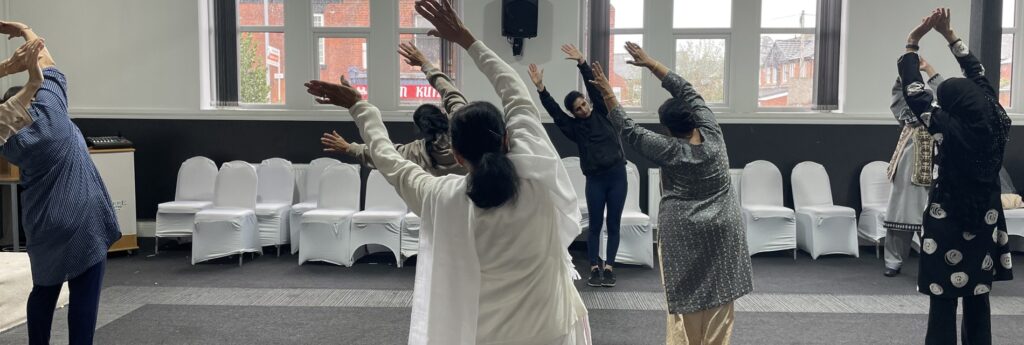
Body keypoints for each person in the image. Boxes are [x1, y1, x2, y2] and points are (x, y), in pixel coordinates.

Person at [304, 1, 589, 344]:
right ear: (507, 139)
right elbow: (515, 91)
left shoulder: (443, 198)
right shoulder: (537, 171)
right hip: (551, 332)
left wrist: (360, 107)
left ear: (457, 154)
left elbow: (389, 161)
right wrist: (466, 39)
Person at [588, 42, 753, 345]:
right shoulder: (713, 132)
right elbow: (687, 90)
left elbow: (628, 129)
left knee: (686, 305)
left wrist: (608, 93)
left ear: (667, 129)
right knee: (720, 302)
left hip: (684, 235)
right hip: (723, 232)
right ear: (693, 117)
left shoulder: (669, 149)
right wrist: (651, 63)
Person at [0, 21, 122, 345]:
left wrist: (6, 70)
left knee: (43, 291)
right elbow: (48, 63)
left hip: (43, 224)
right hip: (82, 218)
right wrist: (24, 31)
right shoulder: (53, 115)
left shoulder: (8, 143)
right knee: (84, 292)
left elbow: (5, 116)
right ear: (35, 102)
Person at [899, 8, 1014, 345]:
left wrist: (912, 42)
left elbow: (914, 91)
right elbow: (978, 76)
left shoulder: (946, 129)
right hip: (985, 216)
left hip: (947, 216)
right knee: (978, 295)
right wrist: (951, 37)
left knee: (943, 295)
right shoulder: (997, 118)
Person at [527, 44, 626, 288]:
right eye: (578, 109)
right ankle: (594, 268)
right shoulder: (574, 128)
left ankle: (609, 268)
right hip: (595, 181)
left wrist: (582, 63)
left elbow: (595, 89)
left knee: (613, 223)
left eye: (584, 104)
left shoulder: (602, 113)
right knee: (595, 225)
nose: (583, 109)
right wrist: (541, 88)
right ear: (573, 113)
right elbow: (555, 112)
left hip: (617, 177)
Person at [321, 42, 468, 177]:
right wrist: (425, 64)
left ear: (421, 129)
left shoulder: (417, 152)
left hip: (433, 198)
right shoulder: (464, 127)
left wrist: (349, 147)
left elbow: (382, 153)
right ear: (442, 114)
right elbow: (450, 92)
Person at [883, 56, 944, 277]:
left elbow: (947, 93)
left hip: (939, 167)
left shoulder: (942, 112)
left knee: (937, 219)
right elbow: (898, 98)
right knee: (901, 214)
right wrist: (907, 72)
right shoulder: (909, 117)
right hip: (909, 165)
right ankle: (893, 261)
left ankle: (936, 264)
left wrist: (929, 69)